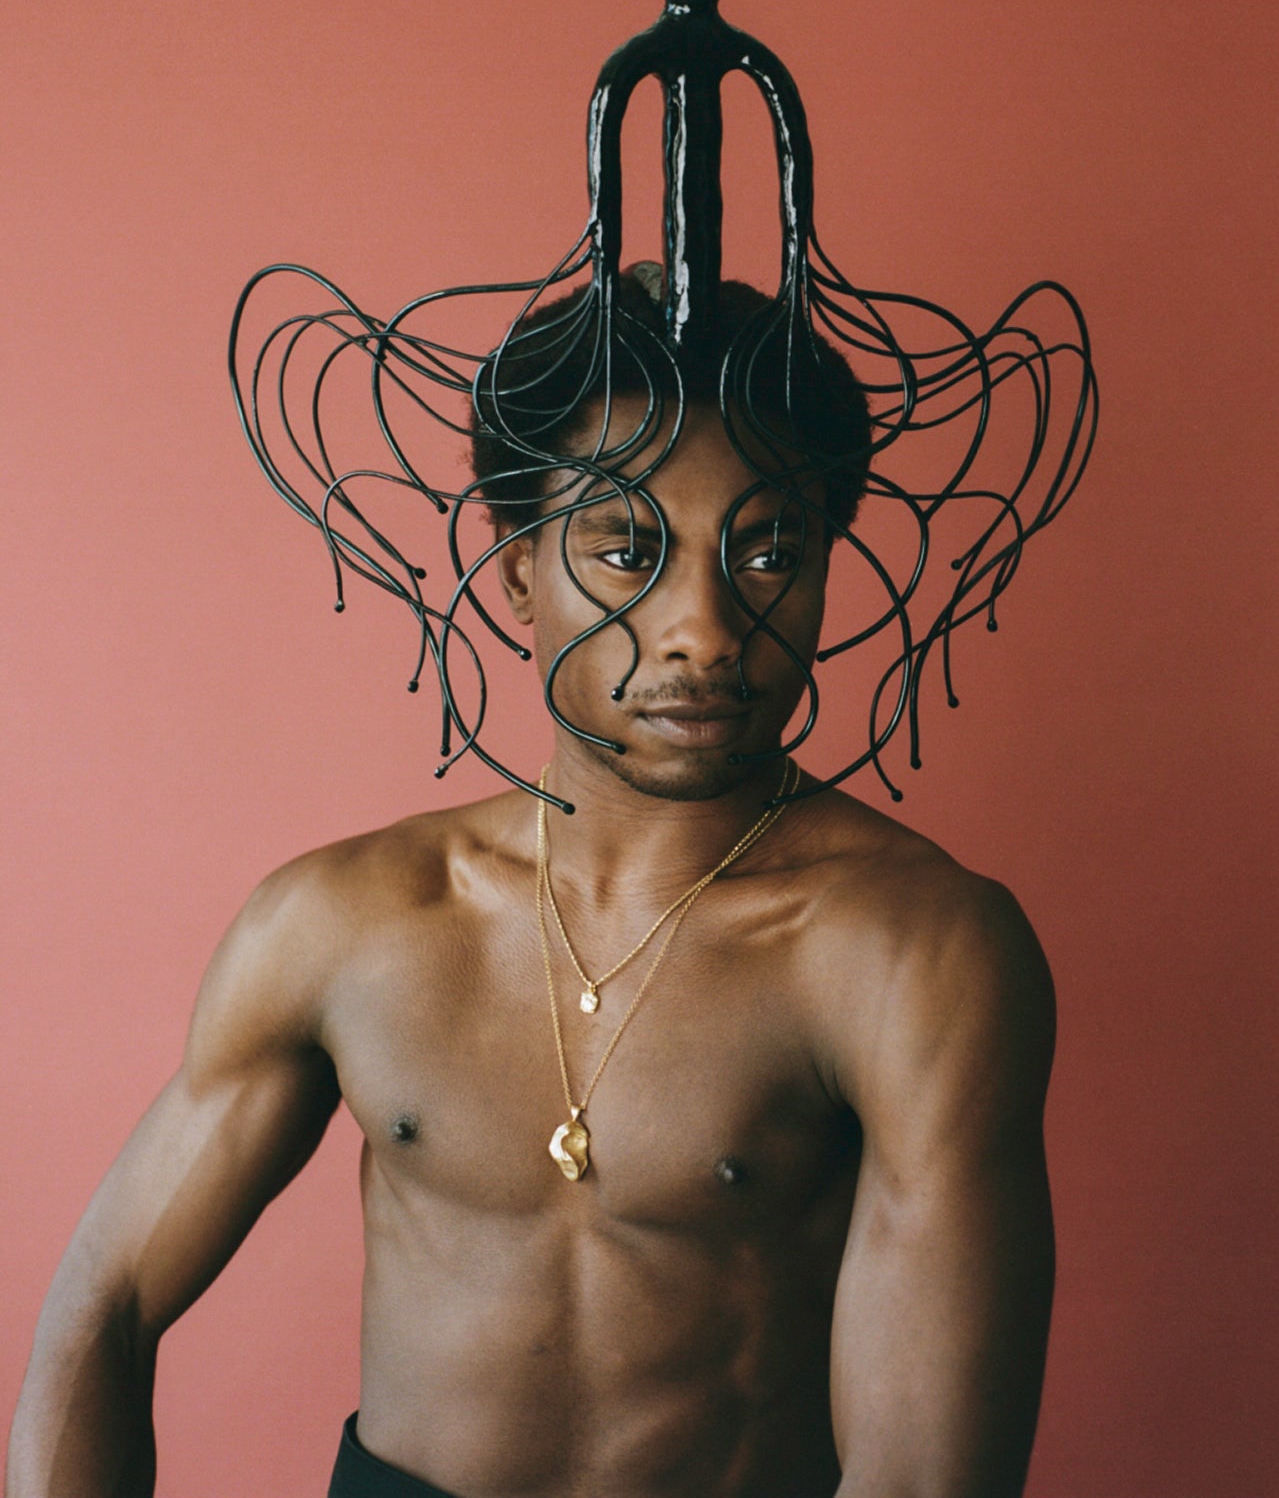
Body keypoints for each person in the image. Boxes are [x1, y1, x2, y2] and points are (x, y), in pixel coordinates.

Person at [7, 274, 1056, 1498]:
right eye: (626, 550)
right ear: (516, 579)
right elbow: (103, 1303)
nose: (703, 632)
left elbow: (925, 1477)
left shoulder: (909, 951)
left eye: (769, 550)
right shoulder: (350, 921)